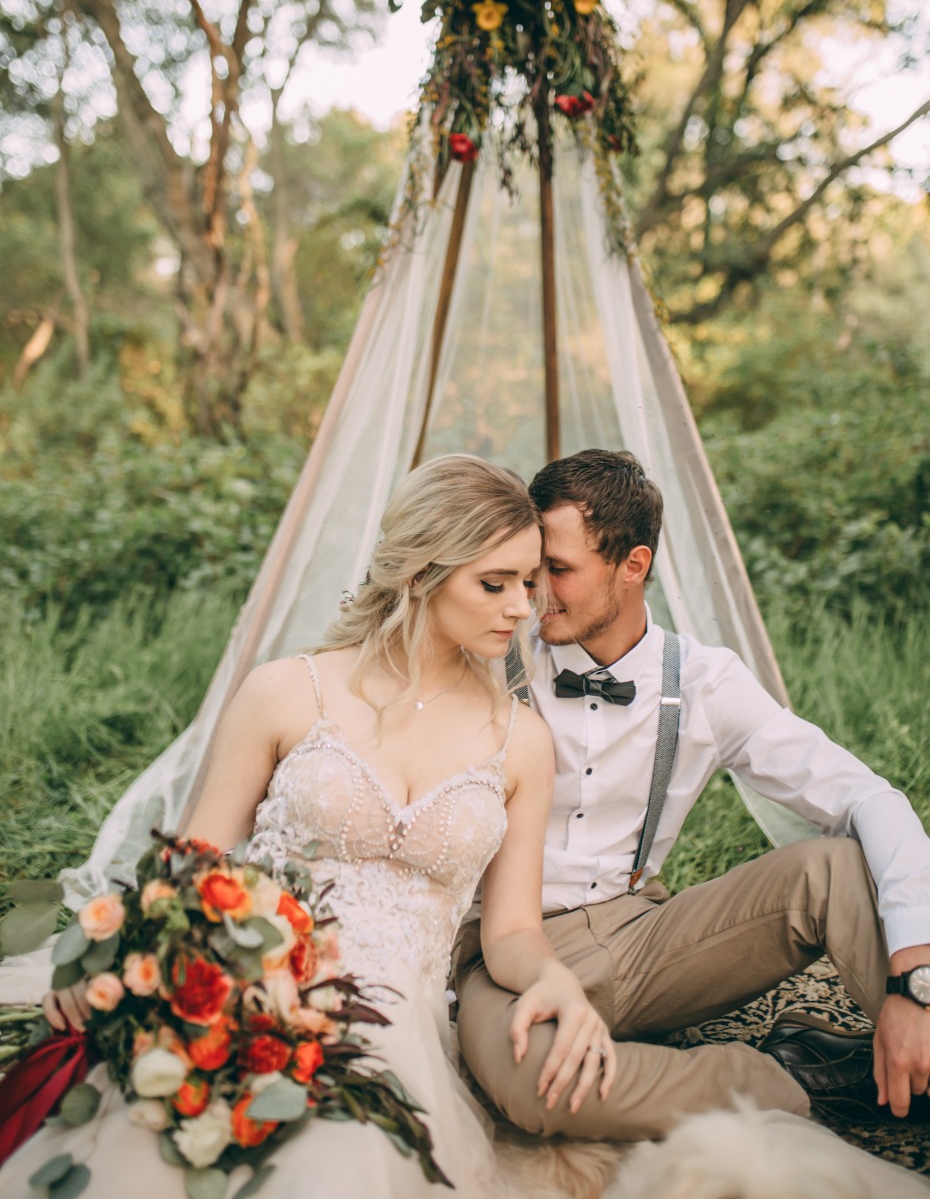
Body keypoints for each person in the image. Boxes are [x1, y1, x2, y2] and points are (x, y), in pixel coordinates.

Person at [1, 454, 615, 1199]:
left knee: (334, 1162)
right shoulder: (287, 691)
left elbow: (511, 930)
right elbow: (188, 866)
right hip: (244, 986)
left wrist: (557, 980)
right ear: (421, 573)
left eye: (528, 582)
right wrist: (109, 960)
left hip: (388, 1022)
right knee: (156, 1149)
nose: (522, 607)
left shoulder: (520, 739)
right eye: (496, 583)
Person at [455, 447, 930, 1147]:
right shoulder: (491, 658)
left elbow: (866, 795)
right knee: (533, 1086)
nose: (533, 596)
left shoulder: (705, 682)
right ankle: (789, 1081)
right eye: (529, 571)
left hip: (643, 940)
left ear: (633, 565)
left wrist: (915, 979)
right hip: (506, 954)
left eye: (557, 571)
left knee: (831, 865)